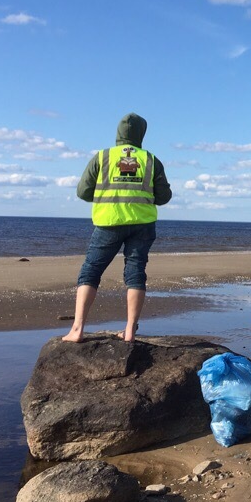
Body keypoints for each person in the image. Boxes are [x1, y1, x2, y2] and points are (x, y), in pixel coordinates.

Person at [62, 113, 172, 343]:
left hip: (108, 222)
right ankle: (130, 330)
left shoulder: (103, 157)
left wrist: (106, 197)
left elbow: (82, 191)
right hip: (142, 224)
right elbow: (164, 196)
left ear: (119, 133)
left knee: (91, 272)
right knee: (135, 273)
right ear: (141, 134)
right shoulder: (150, 159)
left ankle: (77, 329)